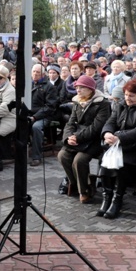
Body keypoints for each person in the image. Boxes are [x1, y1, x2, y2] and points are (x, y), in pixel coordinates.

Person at [98, 79, 136, 219]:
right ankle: (107, 196)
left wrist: (119, 138)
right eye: (127, 95)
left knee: (121, 164)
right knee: (105, 160)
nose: (128, 99)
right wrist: (107, 134)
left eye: (132, 96)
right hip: (118, 145)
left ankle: (118, 199)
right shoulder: (121, 104)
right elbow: (110, 122)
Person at [57, 75, 111, 204]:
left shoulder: (102, 103)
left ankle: (84, 191)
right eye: (77, 87)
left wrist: (77, 137)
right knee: (62, 155)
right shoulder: (77, 101)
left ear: (90, 89)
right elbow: (70, 123)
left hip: (94, 140)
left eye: (81, 88)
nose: (78, 90)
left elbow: (97, 127)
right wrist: (68, 138)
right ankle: (77, 184)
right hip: (78, 138)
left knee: (79, 160)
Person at [28, 64, 59, 166]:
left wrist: (35, 117)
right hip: (29, 113)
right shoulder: (29, 84)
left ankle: (36, 156)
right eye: (34, 71)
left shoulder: (49, 87)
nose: (35, 74)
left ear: (43, 74)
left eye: (38, 72)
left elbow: (50, 107)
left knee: (36, 127)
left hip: (45, 115)